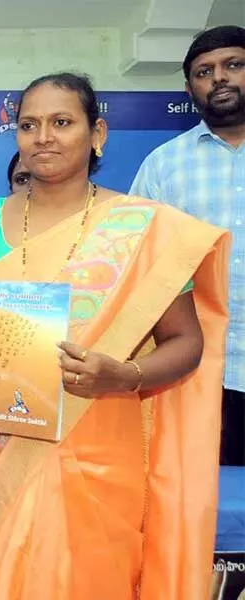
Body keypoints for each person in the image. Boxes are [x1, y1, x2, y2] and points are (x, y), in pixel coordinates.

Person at [0, 72, 229, 599]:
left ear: (98, 134)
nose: (43, 136)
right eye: (29, 124)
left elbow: (187, 343)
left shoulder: (146, 228)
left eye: (62, 122)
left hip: (97, 447)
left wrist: (124, 374)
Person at [130, 25, 245, 467]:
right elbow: (137, 263)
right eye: (204, 71)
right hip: (194, 372)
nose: (219, 78)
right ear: (188, 88)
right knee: (200, 505)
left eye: (233, 65)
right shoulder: (163, 164)